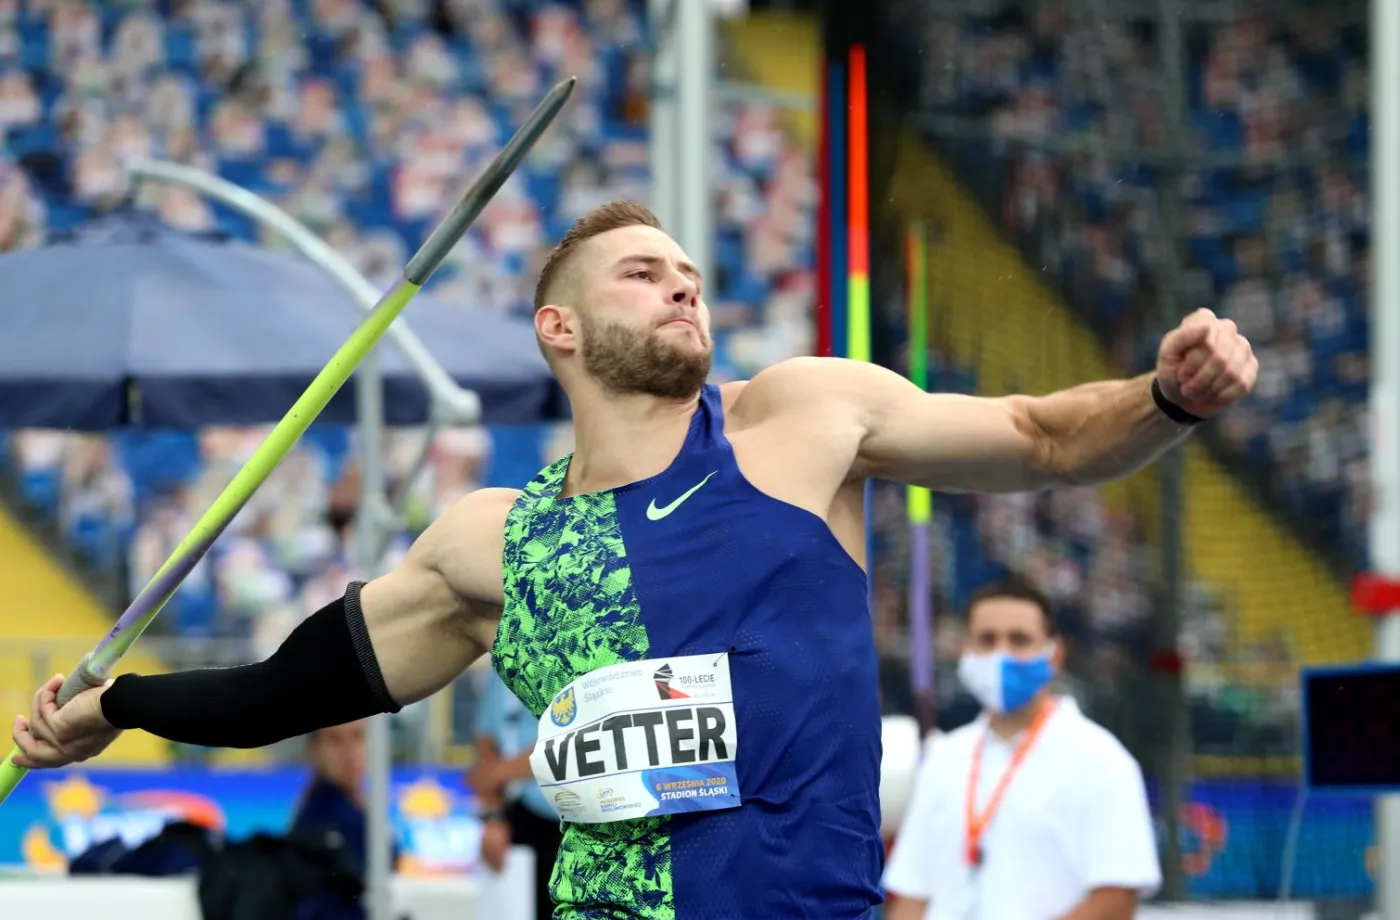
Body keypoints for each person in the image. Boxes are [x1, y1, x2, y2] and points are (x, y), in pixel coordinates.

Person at [13, 201, 1256, 919]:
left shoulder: (799, 420)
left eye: (692, 278)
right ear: (558, 326)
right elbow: (291, 687)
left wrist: (1167, 394)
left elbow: (1042, 439)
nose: (681, 290)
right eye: (642, 272)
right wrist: (119, 703)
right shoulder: (488, 539)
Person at [882, 575, 1161, 920]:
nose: (1002, 653)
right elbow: (912, 895)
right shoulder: (944, 758)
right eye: (987, 640)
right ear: (965, 651)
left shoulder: (1101, 761)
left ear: (1054, 654)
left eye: (1019, 640)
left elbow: (1114, 901)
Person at [469, 667, 562, 920]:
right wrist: (493, 818)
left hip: (586, 820)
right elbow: (486, 743)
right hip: (525, 818)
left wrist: (500, 773)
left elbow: (569, 741)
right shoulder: (504, 667)